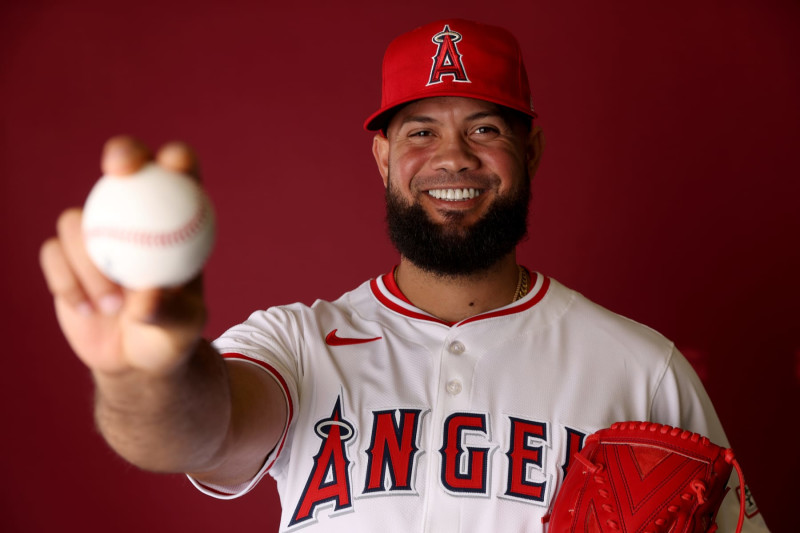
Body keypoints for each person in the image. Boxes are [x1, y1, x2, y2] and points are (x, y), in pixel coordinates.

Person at [40, 18, 769, 532]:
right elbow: (194, 432)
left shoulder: (644, 369)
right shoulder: (299, 344)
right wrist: (144, 373)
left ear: (533, 150)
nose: (453, 158)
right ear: (384, 159)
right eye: (421, 131)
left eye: (485, 128)